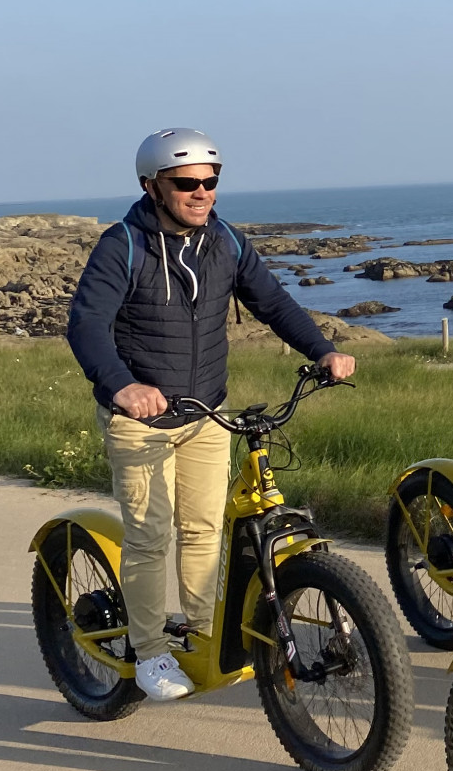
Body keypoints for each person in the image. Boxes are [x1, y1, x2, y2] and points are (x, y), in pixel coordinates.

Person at [65, 129, 355, 702]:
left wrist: (321, 349)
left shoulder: (224, 241)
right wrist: (122, 386)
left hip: (205, 411)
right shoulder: (121, 245)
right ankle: (148, 652)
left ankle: (200, 635)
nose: (202, 193)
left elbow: (272, 302)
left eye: (211, 181)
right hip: (139, 419)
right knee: (150, 537)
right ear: (152, 186)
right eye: (187, 183)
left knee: (204, 529)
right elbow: (86, 326)